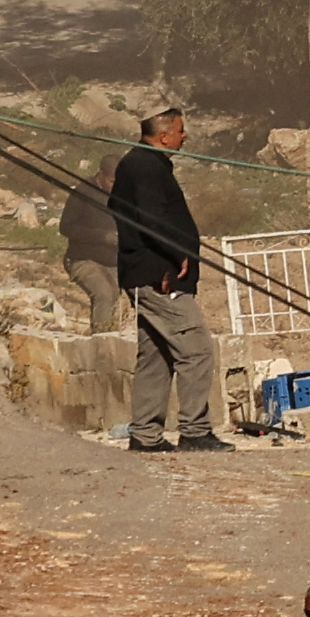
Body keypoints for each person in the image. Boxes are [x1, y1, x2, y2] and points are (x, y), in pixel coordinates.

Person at [112, 107, 225, 454]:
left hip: (146, 273)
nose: (184, 135)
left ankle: (145, 435)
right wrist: (178, 256)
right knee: (197, 350)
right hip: (159, 276)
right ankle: (194, 430)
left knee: (157, 355)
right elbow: (153, 219)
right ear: (164, 135)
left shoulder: (141, 165)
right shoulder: (145, 167)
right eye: (180, 130)